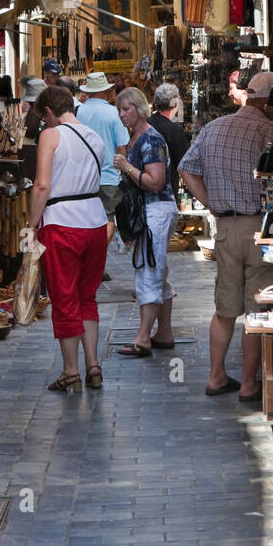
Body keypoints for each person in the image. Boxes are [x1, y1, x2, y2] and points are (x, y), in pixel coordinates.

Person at [178, 71, 273, 401]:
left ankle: (215, 377)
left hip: (225, 227)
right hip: (260, 227)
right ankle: (248, 384)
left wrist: (211, 204)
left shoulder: (213, 128)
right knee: (257, 308)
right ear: (269, 100)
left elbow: (185, 168)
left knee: (225, 309)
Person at [25, 85, 109, 393]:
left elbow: (42, 186)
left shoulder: (51, 135)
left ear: (48, 112)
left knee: (64, 298)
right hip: (95, 222)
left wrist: (31, 226)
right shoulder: (95, 137)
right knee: (87, 297)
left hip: (62, 224)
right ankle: (93, 365)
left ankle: (71, 372)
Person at [112, 87, 178, 356]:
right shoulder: (137, 139)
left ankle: (143, 338)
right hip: (150, 211)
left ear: (139, 109)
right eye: (119, 110)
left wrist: (126, 166)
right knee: (157, 273)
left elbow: (156, 182)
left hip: (157, 209)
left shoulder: (151, 140)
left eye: (126, 109)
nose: (122, 114)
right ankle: (164, 332)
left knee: (148, 271)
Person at [77, 71, 129, 245]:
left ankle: (91, 257)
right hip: (108, 175)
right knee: (107, 218)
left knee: (86, 220)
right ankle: (100, 257)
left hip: (83, 177)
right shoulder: (113, 113)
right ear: (105, 91)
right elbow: (121, 147)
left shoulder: (78, 112)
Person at [149, 84, 189, 176]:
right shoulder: (174, 131)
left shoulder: (145, 123)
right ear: (175, 104)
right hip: (166, 184)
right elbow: (183, 164)